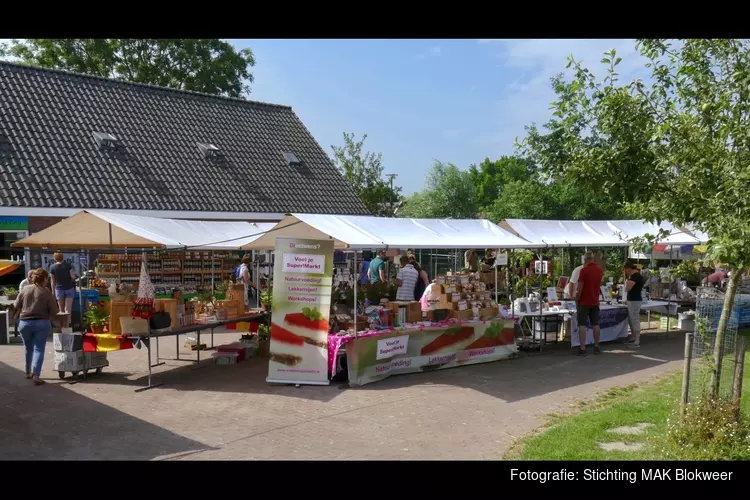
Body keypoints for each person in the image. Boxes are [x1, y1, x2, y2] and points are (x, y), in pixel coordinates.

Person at [13, 268, 59, 385]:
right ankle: (36, 375)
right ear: (44, 279)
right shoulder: (46, 291)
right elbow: (54, 310)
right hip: (41, 323)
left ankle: (28, 372)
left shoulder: (25, 289)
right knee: (39, 349)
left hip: (24, 323)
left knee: (28, 348)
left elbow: (16, 304)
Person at [575, 251, 604, 356]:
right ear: (593, 259)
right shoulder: (599, 271)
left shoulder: (584, 270)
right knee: (595, 324)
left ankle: (583, 348)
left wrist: (576, 298)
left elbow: (580, 288)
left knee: (582, 324)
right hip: (595, 301)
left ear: (586, 259)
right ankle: (596, 346)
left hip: (584, 301)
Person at [49, 252, 76, 328]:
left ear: (55, 258)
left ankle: (62, 327)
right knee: (68, 309)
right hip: (69, 288)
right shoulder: (68, 265)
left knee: (61, 310)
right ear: (63, 258)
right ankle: (67, 327)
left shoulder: (52, 267)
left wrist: (53, 292)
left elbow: (52, 281)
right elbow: (73, 277)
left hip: (59, 289)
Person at [623, 263, 644, 348]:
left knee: (635, 319)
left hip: (634, 301)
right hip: (634, 300)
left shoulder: (635, 277)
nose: (626, 272)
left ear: (629, 269)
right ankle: (634, 337)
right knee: (633, 319)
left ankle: (637, 340)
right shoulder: (638, 276)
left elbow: (627, 288)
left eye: (626, 270)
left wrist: (627, 282)